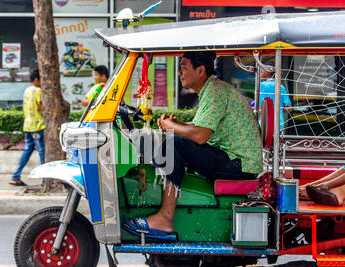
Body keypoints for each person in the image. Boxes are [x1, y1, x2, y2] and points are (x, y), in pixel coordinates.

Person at [123, 51, 263, 239]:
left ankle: (165, 218)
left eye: (183, 67)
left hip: (238, 164)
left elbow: (200, 136)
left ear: (200, 70)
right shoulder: (212, 89)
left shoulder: (215, 91)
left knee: (174, 143)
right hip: (233, 159)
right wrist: (176, 125)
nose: (180, 73)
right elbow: (201, 127)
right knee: (175, 140)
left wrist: (171, 126)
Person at [10, 69, 45, 186]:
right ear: (36, 80)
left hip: (28, 125)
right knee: (42, 152)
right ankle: (45, 179)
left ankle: (16, 175)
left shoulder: (27, 90)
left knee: (27, 150)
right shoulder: (38, 91)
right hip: (38, 125)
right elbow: (42, 106)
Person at [258, 59, 292, 132]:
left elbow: (259, 106)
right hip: (279, 124)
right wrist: (277, 110)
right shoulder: (281, 87)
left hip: (264, 124)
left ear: (268, 72)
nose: (259, 74)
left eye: (261, 71)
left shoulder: (261, 85)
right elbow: (289, 108)